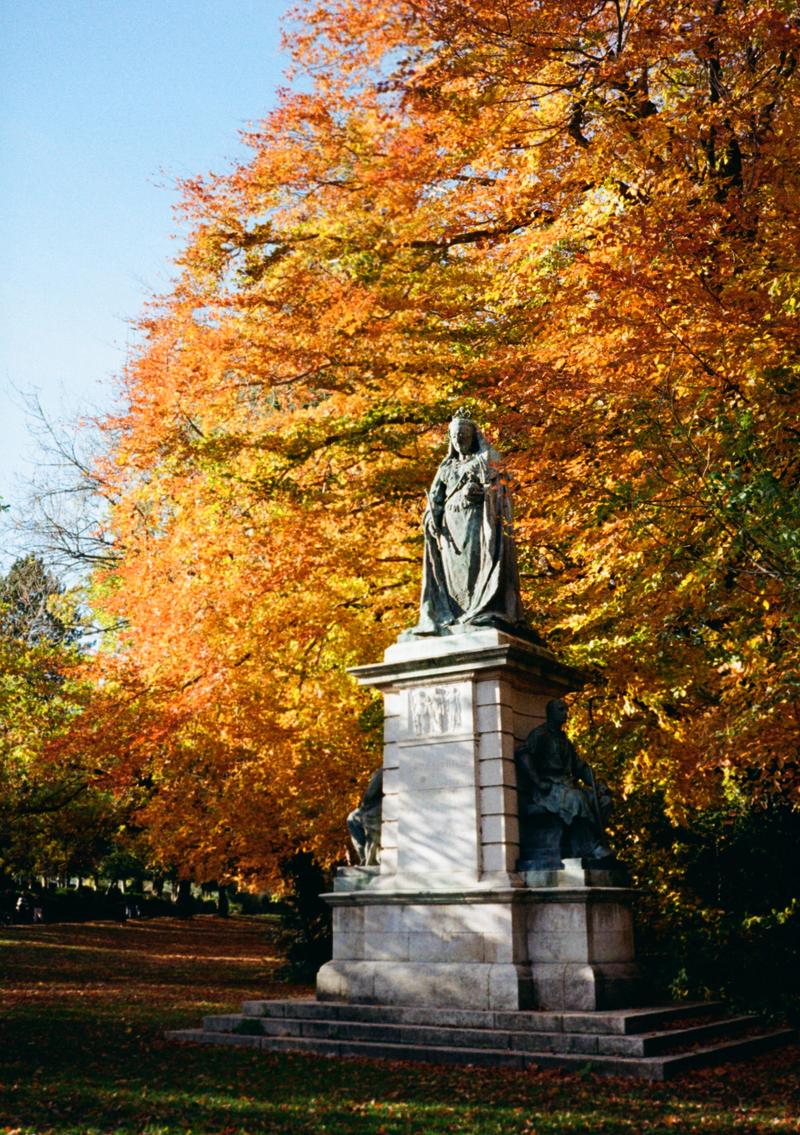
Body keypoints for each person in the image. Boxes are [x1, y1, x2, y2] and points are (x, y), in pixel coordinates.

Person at [412, 410, 529, 635]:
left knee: (475, 568)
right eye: (455, 436)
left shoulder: (486, 459)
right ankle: (454, 615)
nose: (459, 440)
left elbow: (500, 488)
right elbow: (435, 499)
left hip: (477, 524)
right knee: (453, 575)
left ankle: (479, 610)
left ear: (473, 436)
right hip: (449, 531)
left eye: (463, 435)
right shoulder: (445, 468)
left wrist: (483, 492)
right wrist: (431, 518)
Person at [515, 698, 612, 863]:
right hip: (548, 789)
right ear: (550, 713)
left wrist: (597, 785)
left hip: (566, 786)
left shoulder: (565, 740)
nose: (566, 713)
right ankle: (591, 846)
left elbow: (579, 767)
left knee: (604, 801)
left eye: (566, 710)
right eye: (561, 710)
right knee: (577, 799)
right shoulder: (540, 734)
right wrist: (538, 782)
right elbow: (524, 755)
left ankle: (586, 844)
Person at [347, 768, 383, 865]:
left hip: (380, 812)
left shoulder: (382, 772)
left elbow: (370, 796)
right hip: (384, 810)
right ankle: (366, 857)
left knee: (352, 818)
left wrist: (363, 807)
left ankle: (365, 857)